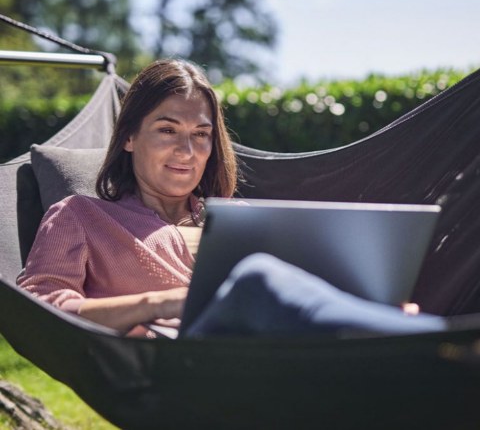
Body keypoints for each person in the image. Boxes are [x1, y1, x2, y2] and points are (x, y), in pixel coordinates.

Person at [17, 58, 447, 339]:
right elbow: (39, 311)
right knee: (256, 278)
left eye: (200, 135)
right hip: (187, 364)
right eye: (167, 130)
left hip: (277, 354)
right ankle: (433, 342)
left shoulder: (240, 219)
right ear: (129, 136)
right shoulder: (80, 215)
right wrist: (161, 303)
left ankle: (397, 334)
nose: (187, 151)